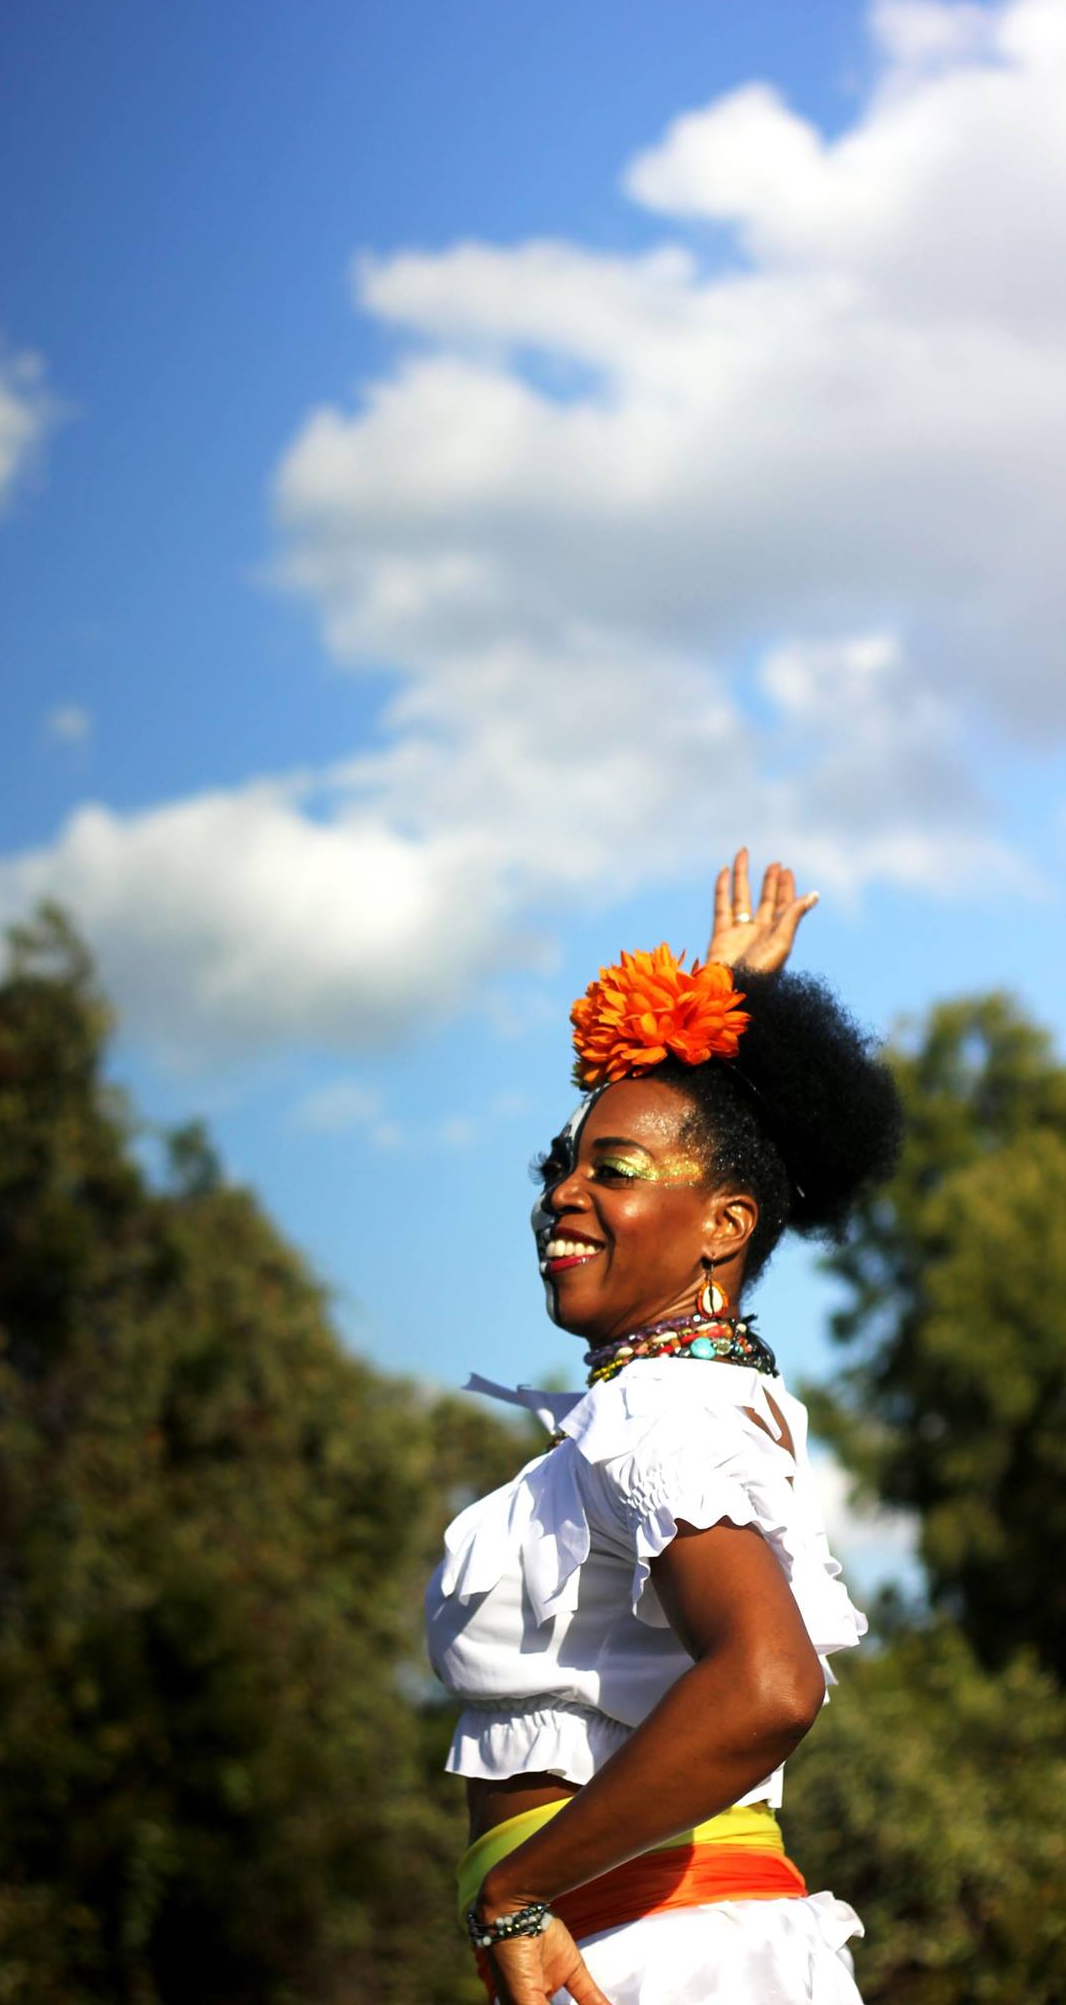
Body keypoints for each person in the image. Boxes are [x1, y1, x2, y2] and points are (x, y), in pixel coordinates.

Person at [425, 850, 903, 2005]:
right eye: (563, 1165)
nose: (562, 1193)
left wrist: (517, 1895)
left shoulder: (661, 1408)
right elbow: (683, 1163)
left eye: (614, 1168)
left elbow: (770, 1679)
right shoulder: (686, 1395)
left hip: (669, 1956)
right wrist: (711, 1009)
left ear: (724, 1225)